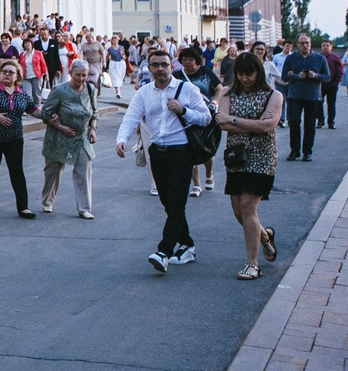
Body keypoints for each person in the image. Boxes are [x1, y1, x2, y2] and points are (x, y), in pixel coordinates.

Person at [114, 47, 212, 274]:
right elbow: (131, 118)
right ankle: (187, 245)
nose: (160, 69)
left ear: (172, 66)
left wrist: (184, 110)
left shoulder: (186, 89)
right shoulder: (144, 93)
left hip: (181, 151)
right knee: (169, 204)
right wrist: (122, 140)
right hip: (157, 153)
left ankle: (164, 251)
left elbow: (206, 117)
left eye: (164, 65)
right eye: (155, 65)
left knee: (177, 203)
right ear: (149, 68)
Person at [215, 52, 283, 280]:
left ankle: (252, 264)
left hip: (263, 157)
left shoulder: (273, 95)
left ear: (259, 72)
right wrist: (252, 125)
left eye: (249, 74)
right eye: (240, 74)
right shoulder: (227, 92)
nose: (244, 79)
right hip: (236, 156)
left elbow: (268, 126)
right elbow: (221, 123)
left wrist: (234, 120)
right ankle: (264, 236)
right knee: (238, 211)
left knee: (247, 207)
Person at [0, 60, 41, 218]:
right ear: (0, 74)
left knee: (17, 172)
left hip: (15, 138)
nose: (7, 75)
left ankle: (23, 207)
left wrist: (51, 116)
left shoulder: (21, 93)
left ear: (17, 76)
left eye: (11, 72)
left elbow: (34, 110)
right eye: (5, 72)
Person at [40, 60, 98, 218]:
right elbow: (45, 112)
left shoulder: (91, 89)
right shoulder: (59, 90)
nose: (81, 78)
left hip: (80, 137)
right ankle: (47, 201)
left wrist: (92, 129)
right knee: (53, 170)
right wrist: (60, 127)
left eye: (84, 75)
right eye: (77, 75)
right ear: (71, 73)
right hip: (58, 137)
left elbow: (94, 113)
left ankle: (84, 208)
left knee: (83, 169)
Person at [174, 45, 222, 197]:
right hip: (186, 117)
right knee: (191, 149)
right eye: (185, 59)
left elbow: (219, 88)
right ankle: (196, 185)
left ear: (197, 60)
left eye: (191, 59)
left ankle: (209, 174)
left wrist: (215, 101)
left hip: (207, 114)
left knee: (207, 148)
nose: (188, 62)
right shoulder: (177, 75)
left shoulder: (206, 73)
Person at [281, 34, 327, 161]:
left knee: (310, 125)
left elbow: (327, 76)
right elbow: (284, 76)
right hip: (295, 95)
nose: (305, 45)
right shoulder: (291, 59)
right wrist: (296, 76)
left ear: (310, 43)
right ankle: (294, 150)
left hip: (312, 96)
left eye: (307, 43)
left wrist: (315, 75)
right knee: (294, 122)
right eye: (302, 43)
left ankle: (307, 151)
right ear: (297, 45)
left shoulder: (319, 58)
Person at [319, 40, 343, 129]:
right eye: (323, 45)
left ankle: (331, 122)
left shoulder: (335, 58)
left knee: (331, 104)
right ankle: (320, 121)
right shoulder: (318, 57)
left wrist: (336, 82)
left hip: (332, 84)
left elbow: (340, 71)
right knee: (318, 103)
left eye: (327, 45)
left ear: (331, 47)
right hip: (320, 84)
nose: (325, 47)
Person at [18, 37, 48, 105]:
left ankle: (37, 107)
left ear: (31, 44)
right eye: (25, 43)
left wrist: (46, 74)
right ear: (23, 46)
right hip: (25, 77)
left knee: (36, 93)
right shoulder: (22, 55)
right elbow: (19, 65)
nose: (27, 45)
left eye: (28, 43)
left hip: (36, 76)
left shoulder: (38, 53)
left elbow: (43, 64)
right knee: (27, 93)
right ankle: (28, 108)